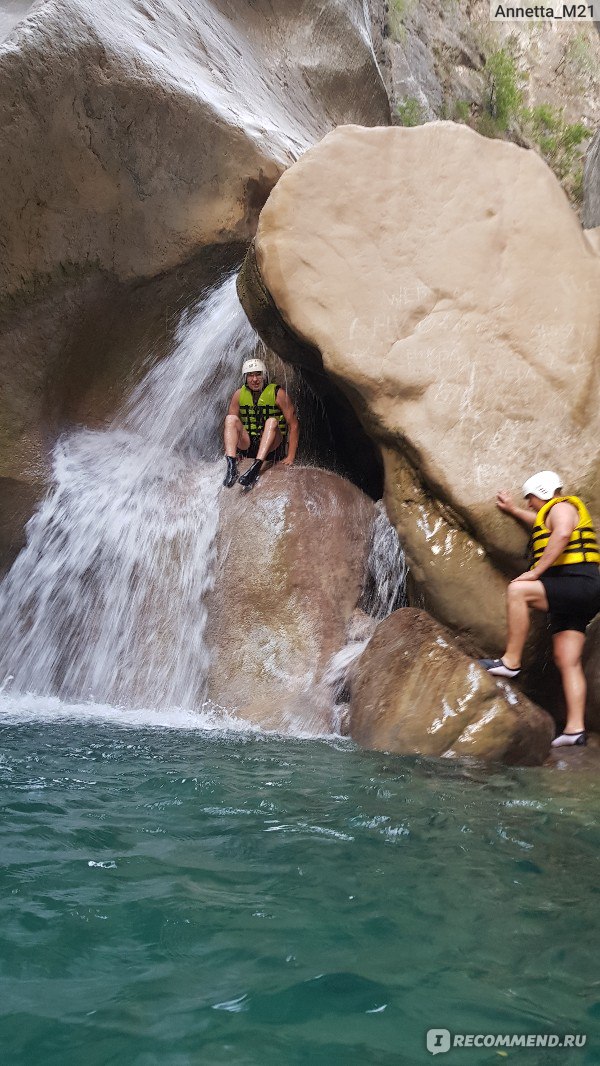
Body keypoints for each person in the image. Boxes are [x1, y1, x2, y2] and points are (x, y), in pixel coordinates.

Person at [479, 471, 600, 748]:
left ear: (542, 492)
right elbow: (540, 522)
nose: (530, 504)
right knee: (567, 659)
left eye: (530, 498)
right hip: (577, 592)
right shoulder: (554, 511)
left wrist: (536, 573)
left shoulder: (562, 507)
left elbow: (563, 533)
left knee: (518, 590)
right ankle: (575, 730)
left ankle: (510, 662)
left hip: (578, 583)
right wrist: (513, 510)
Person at [222, 358, 299, 490]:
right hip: (248, 445)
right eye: (250, 375)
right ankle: (231, 466)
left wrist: (291, 456)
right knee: (230, 419)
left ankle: (256, 467)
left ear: (264, 375)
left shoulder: (278, 394)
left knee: (272, 421)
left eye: (258, 374)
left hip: (272, 446)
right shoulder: (239, 394)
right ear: (245, 378)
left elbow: (294, 425)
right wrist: (230, 450)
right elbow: (231, 429)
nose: (255, 379)